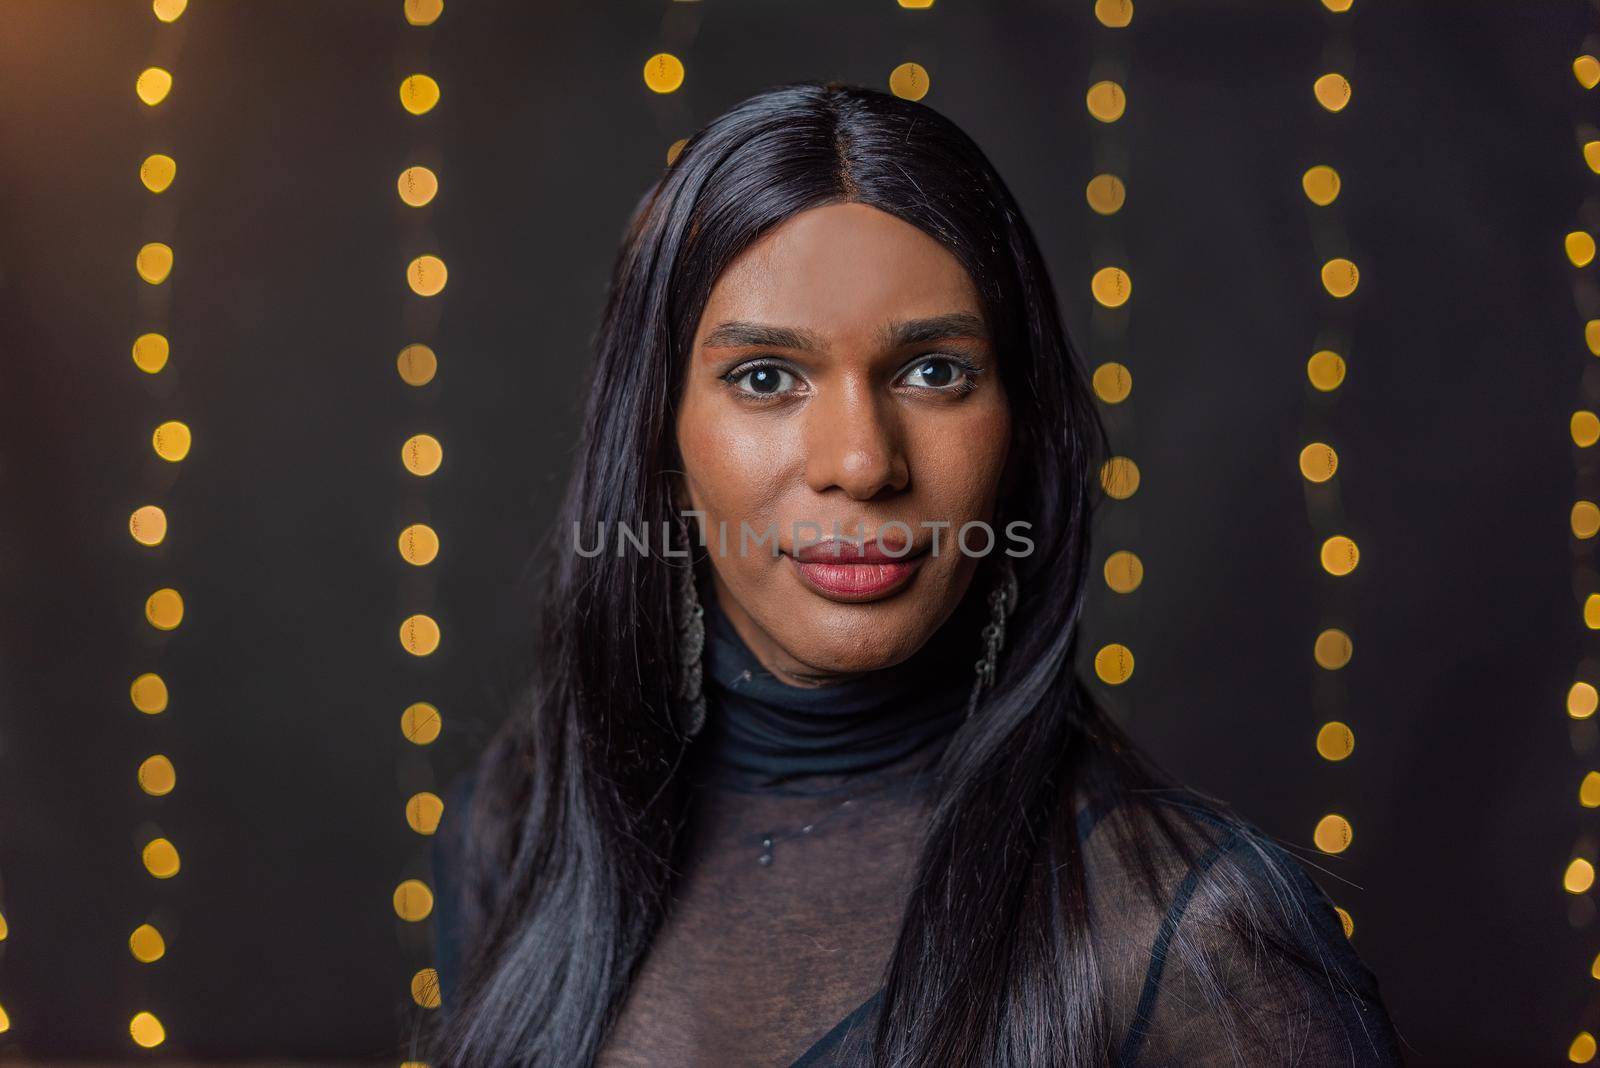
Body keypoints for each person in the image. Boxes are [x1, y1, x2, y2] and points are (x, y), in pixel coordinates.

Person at [417, 80, 1405, 1067]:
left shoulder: (1190, 939)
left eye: (933, 371)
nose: (860, 461)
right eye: (765, 378)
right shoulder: (514, 833)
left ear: (1021, 433)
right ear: (662, 451)